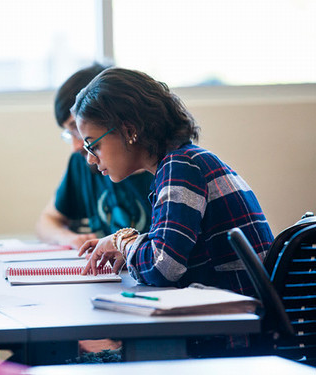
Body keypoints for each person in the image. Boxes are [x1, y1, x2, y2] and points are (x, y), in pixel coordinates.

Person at [74, 67, 274, 296]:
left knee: (105, 327)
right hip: (239, 316)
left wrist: (122, 242)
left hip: (235, 325)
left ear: (129, 130)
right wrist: (130, 247)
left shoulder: (180, 168)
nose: (90, 158)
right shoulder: (185, 161)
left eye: (94, 145)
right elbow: (172, 252)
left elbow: (162, 268)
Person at [36, 64, 153, 249]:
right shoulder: (81, 163)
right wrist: (67, 237)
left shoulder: (166, 169)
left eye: (77, 127)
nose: (77, 147)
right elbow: (46, 222)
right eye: (70, 132)